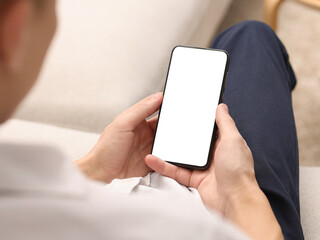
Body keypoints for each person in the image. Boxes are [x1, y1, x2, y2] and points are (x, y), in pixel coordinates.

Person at [0, 0, 304, 239]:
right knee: (251, 36)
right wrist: (239, 190)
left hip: (129, 179)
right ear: (16, 28)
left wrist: (95, 167)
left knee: (244, 38)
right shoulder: (162, 228)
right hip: (235, 217)